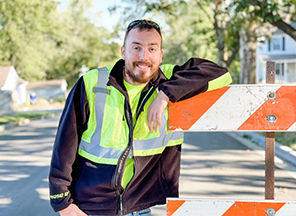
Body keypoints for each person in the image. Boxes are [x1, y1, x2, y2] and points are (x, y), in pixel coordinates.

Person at [49, 19, 232, 216]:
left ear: (161, 55)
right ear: (123, 51)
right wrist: (62, 203)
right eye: (136, 47)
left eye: (152, 49)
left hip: (141, 206)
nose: (144, 56)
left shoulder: (170, 79)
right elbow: (65, 143)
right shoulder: (93, 82)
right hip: (92, 205)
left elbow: (221, 74)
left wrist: (165, 94)